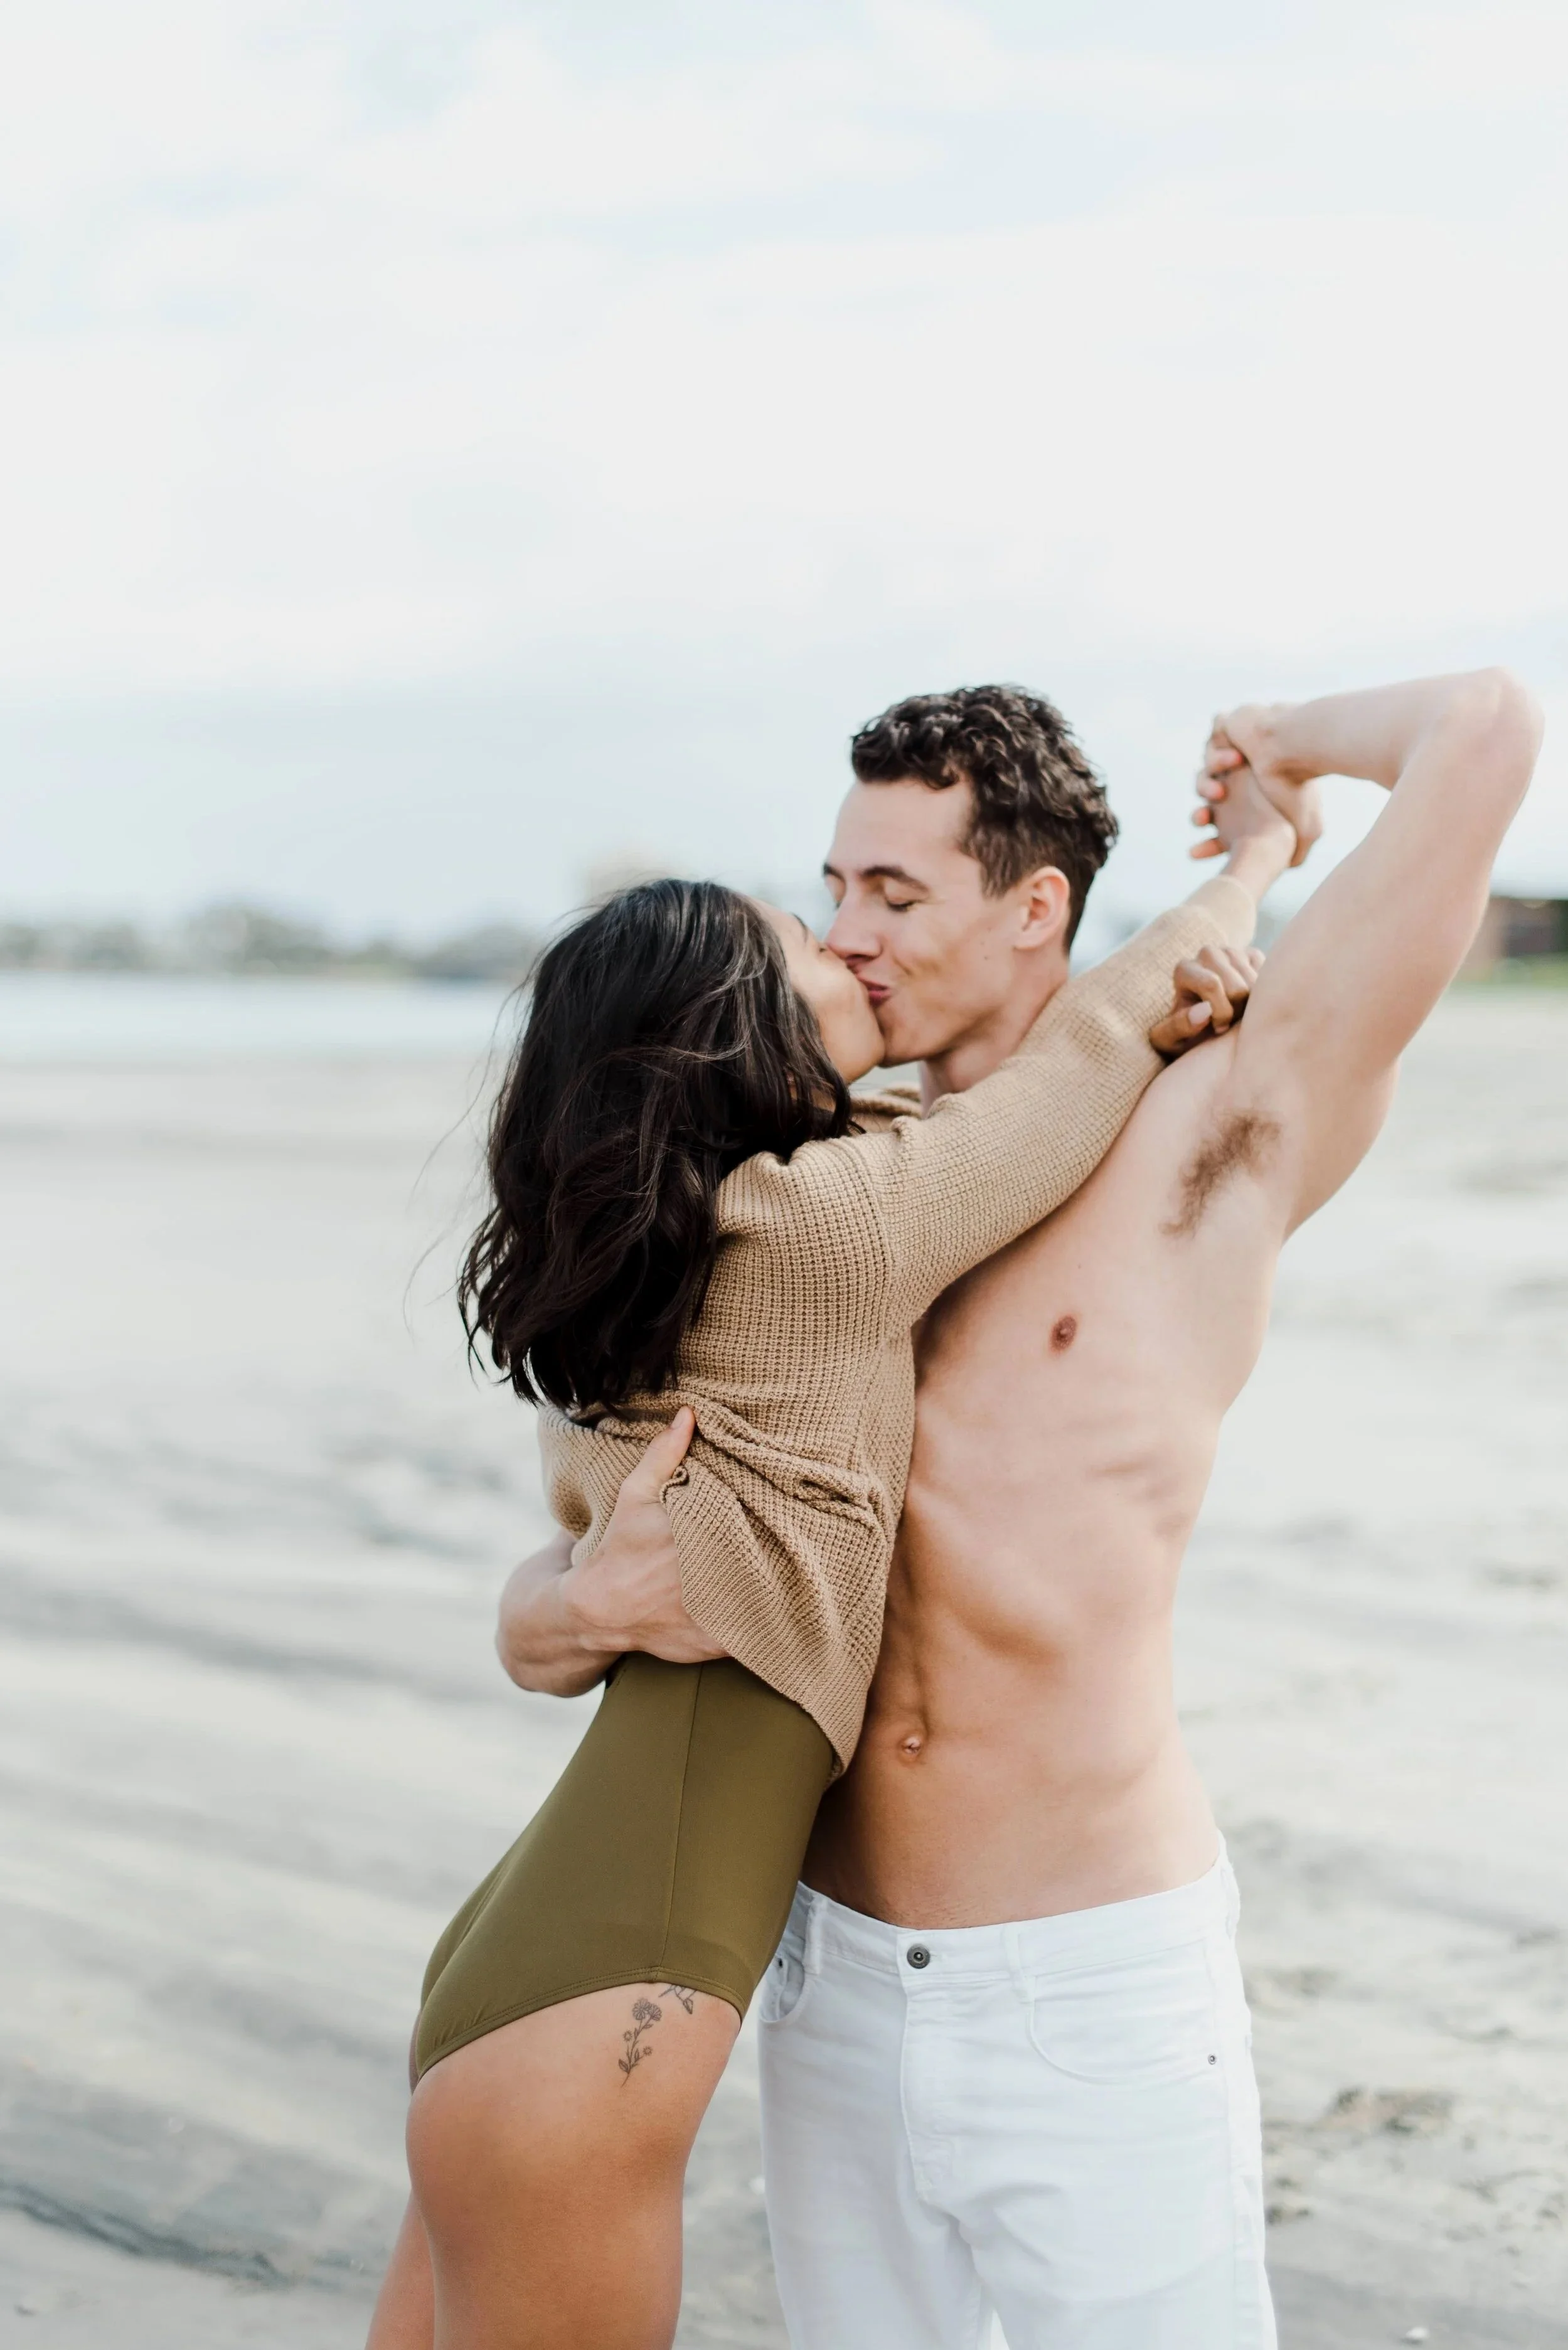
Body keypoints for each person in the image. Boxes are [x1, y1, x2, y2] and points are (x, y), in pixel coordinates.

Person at [500, 673, 1542, 2349]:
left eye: (897, 896)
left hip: (1092, 1985)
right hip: (826, 1982)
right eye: (833, 889)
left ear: (1035, 908)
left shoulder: (1215, 1120)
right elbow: (571, 1550)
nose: (846, 936)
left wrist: (1278, 763)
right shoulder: (794, 1195)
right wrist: (563, 1612)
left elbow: (1487, 732)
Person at [366, 690, 1293, 2350]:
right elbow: (1080, 1060)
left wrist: (560, 1610)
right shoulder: (818, 1235)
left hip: (515, 1982)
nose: (850, 954)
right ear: (730, 1032)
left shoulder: (649, 1278)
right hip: (594, 2033)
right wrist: (1252, 873)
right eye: (807, 938)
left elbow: (572, 1574)